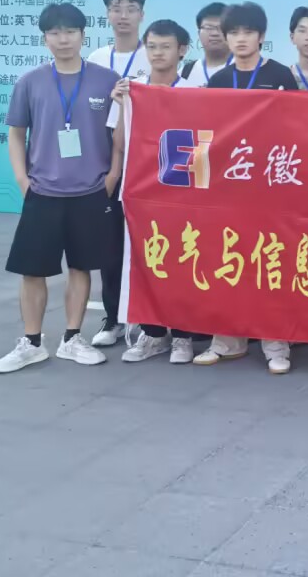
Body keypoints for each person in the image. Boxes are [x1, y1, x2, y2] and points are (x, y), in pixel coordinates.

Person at [0, 3, 121, 373]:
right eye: (55, 32)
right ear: (45, 38)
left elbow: (119, 135)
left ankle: (72, 338)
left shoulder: (107, 80)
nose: (63, 39)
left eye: (70, 32)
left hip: (91, 191)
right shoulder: (30, 82)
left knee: (81, 267)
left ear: (83, 35)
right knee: (32, 270)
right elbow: (16, 134)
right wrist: (23, 180)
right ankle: (31, 342)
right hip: (43, 192)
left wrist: (112, 176)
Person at [194, 2, 300, 373]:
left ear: (261, 36)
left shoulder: (280, 75)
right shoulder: (219, 80)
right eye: (234, 32)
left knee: (270, 263)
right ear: (226, 38)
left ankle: (276, 345)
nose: (241, 39)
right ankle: (227, 341)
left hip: (271, 186)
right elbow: (208, 134)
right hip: (230, 187)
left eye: (248, 32)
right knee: (229, 261)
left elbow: (299, 126)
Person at [109, 19, 208, 364]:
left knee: (182, 260)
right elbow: (120, 144)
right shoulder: (133, 90)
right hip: (142, 190)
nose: (157, 53)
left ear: (182, 50)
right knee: (145, 260)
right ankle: (152, 334)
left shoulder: (194, 92)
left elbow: (204, 144)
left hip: (181, 191)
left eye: (165, 46)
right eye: (151, 47)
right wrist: (122, 105)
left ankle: (182, 336)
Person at [89, 0, 151, 347]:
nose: (123, 15)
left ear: (142, 14)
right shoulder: (96, 58)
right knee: (109, 243)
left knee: (145, 241)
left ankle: (147, 319)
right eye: (116, 8)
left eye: (130, 8)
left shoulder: (153, 55)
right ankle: (112, 318)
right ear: (107, 15)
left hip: (143, 157)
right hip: (104, 154)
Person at [183, 2, 232, 85]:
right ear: (199, 33)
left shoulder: (246, 69)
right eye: (208, 28)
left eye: (222, 28)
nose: (215, 33)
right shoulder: (186, 72)